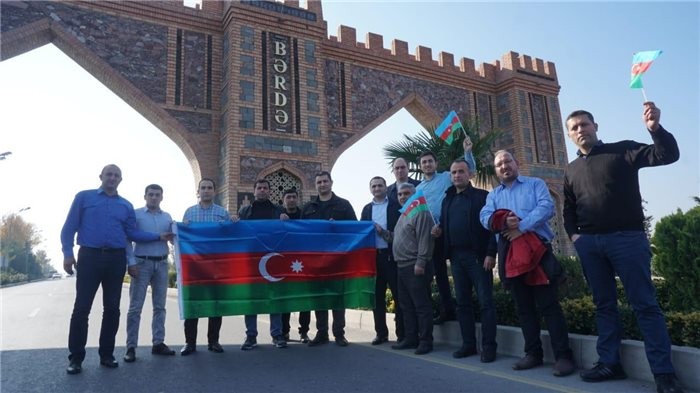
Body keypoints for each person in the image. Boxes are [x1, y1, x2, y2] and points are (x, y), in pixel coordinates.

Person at [563, 103, 682, 392]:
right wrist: (575, 237)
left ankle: (663, 374)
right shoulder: (571, 170)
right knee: (604, 306)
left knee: (645, 305)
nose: (581, 130)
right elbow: (568, 207)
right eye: (574, 128)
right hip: (591, 245)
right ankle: (609, 363)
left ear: (596, 126)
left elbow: (667, 155)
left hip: (626, 239)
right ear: (569, 135)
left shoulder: (622, 150)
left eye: (584, 124)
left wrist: (655, 130)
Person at [61, 164, 172, 375]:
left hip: (115, 259)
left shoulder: (126, 206)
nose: (112, 178)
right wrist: (68, 252)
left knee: (112, 309)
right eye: (109, 174)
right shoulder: (84, 197)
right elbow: (68, 228)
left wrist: (157, 237)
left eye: (116, 175)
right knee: (82, 308)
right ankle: (76, 358)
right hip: (89, 256)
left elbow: (132, 234)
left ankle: (107, 355)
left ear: (121, 179)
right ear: (101, 176)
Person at [479, 150, 575, 377]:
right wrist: (503, 221)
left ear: (516, 162)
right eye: (499, 164)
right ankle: (533, 353)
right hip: (511, 254)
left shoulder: (535, 184)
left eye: (507, 161)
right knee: (524, 309)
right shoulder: (493, 195)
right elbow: (484, 217)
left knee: (549, 306)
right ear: (496, 170)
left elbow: (546, 207)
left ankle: (563, 356)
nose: (504, 166)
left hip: (538, 251)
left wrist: (520, 226)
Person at [431, 159, 497, 362]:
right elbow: (443, 223)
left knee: (486, 303)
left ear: (469, 174)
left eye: (461, 171)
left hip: (478, 257)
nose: (457, 175)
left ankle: (488, 347)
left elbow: (492, 228)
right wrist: (438, 230)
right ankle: (468, 345)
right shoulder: (448, 199)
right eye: (454, 173)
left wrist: (490, 253)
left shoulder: (481, 197)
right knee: (463, 304)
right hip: (457, 258)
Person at [416, 139, 476, 325]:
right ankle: (447, 309)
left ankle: (468, 306)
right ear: (420, 166)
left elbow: (470, 172)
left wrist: (467, 152)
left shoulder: (445, 177)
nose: (427, 164)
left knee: (461, 271)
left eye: (430, 161)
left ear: (436, 164)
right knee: (440, 274)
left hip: (450, 231)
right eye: (424, 162)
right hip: (433, 235)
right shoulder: (418, 189)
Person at [301, 171, 357, 347]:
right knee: (320, 297)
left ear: (331, 183)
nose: (322, 184)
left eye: (325, 181)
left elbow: (354, 229)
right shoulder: (308, 207)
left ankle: (339, 334)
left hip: (337, 259)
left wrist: (338, 227)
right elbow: (300, 233)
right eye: (319, 182)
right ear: (315, 185)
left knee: (337, 297)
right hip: (316, 260)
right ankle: (321, 333)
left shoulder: (344, 205)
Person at [180, 178, 232, 356]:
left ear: (214, 191)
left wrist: (233, 224)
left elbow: (229, 237)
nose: (206, 190)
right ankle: (190, 343)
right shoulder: (189, 213)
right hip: (195, 266)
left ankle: (213, 341)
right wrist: (183, 228)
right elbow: (183, 239)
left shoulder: (222, 213)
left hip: (216, 266)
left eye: (210, 187)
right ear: (198, 191)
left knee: (215, 305)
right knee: (193, 304)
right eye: (203, 188)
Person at [123, 184, 176, 363]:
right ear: (145, 196)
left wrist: (186, 230)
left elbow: (175, 238)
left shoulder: (167, 217)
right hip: (141, 263)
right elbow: (128, 239)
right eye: (151, 194)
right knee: (135, 308)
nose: (154, 197)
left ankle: (158, 343)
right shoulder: (136, 215)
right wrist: (131, 262)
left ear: (162, 197)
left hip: (161, 263)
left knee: (160, 307)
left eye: (157, 195)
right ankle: (131, 347)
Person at [238, 179, 287, 350]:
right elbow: (239, 234)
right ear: (254, 191)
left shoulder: (279, 210)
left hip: (272, 259)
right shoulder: (245, 211)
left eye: (265, 188)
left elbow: (286, 233)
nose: (262, 190)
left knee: (274, 297)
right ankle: (251, 336)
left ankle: (277, 334)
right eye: (259, 188)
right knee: (252, 298)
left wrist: (285, 220)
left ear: (269, 191)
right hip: (252, 259)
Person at [389, 183, 435, 355]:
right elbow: (397, 238)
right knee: (406, 305)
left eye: (406, 193)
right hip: (401, 266)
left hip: (414, 266)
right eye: (400, 194)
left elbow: (425, 239)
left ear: (414, 194)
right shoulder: (404, 214)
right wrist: (382, 232)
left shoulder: (421, 211)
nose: (402, 196)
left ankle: (425, 341)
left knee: (421, 306)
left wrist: (421, 262)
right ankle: (411, 338)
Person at [360, 176, 403, 345]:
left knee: (399, 296)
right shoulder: (366, 209)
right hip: (373, 258)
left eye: (380, 185)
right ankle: (381, 333)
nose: (377, 188)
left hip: (392, 256)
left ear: (386, 187)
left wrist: (382, 231)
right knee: (377, 298)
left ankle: (401, 333)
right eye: (374, 186)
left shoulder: (395, 205)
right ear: (370, 189)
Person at [279, 188, 311, 344]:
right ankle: (284, 332)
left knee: (304, 299)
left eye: (293, 197)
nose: (291, 200)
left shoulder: (305, 216)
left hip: (302, 262)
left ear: (297, 199)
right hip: (284, 262)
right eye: (288, 197)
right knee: (285, 299)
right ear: (283, 199)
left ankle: (304, 332)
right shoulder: (277, 216)